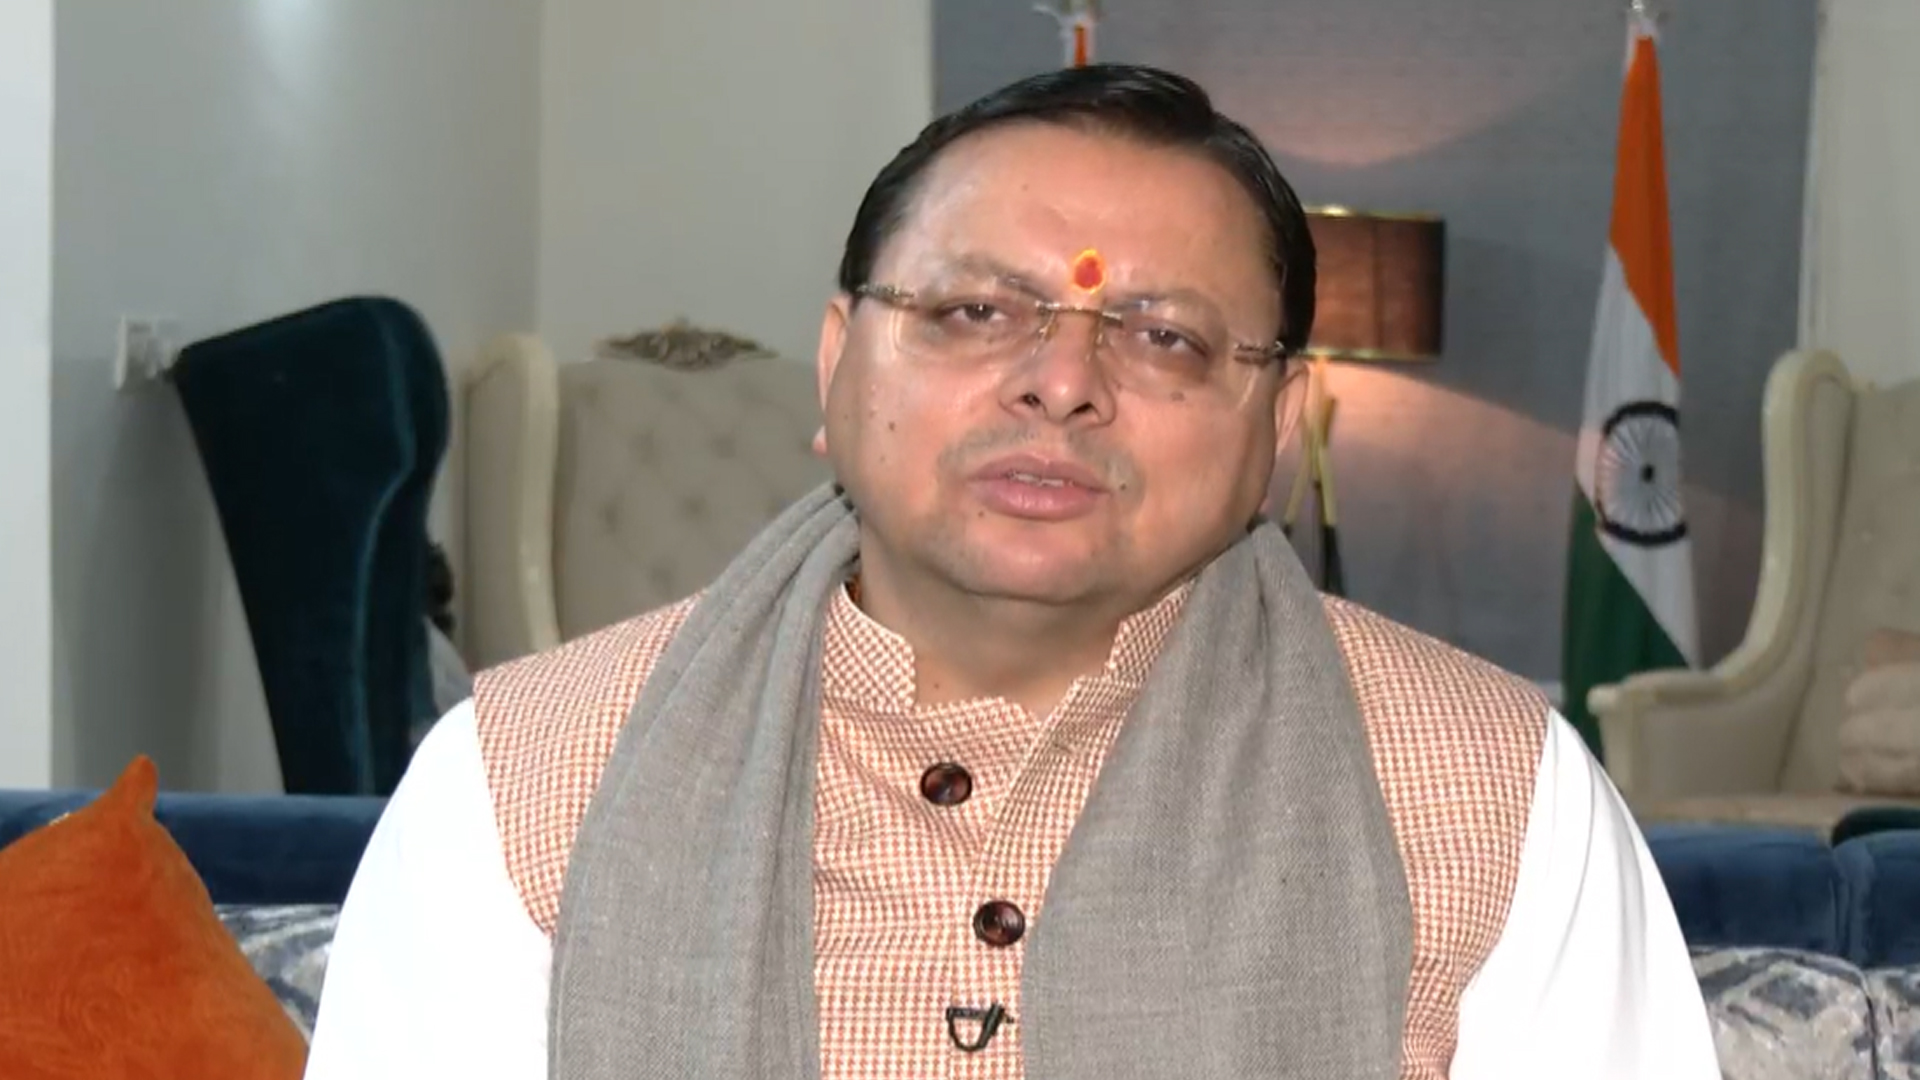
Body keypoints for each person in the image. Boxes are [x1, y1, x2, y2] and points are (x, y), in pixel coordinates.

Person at [304, 64, 1719, 1080]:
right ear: (840, 363)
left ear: (1279, 430)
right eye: (975, 310)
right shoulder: (526, 777)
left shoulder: (1493, 794)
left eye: (1164, 338)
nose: (1061, 381)